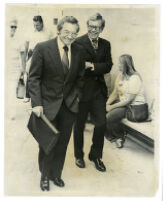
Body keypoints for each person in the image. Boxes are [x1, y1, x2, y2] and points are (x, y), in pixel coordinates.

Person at [28, 16, 84, 191]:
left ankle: (56, 174)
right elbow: (34, 77)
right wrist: (37, 103)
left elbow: (80, 78)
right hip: (47, 106)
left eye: (74, 33)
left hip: (69, 107)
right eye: (66, 31)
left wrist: (77, 97)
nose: (70, 36)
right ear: (59, 30)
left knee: (63, 143)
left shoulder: (79, 51)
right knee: (48, 143)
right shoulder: (43, 48)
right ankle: (44, 176)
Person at [73, 13, 113, 172]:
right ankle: (78, 156)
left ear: (101, 28)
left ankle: (96, 156)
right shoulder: (77, 42)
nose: (92, 29)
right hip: (82, 91)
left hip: (98, 91)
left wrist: (93, 66)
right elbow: (75, 66)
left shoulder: (106, 44)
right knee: (79, 125)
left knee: (101, 124)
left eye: (96, 27)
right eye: (90, 26)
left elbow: (109, 65)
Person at [105, 54, 149, 148]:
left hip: (134, 108)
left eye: (120, 64)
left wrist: (111, 107)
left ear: (126, 65)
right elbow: (115, 93)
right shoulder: (121, 76)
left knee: (108, 117)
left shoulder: (135, 78)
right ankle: (115, 136)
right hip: (125, 105)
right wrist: (107, 104)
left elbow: (129, 100)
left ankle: (119, 136)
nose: (118, 66)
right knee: (102, 112)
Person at [24, 15, 53, 102]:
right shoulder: (31, 32)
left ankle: (42, 95)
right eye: (34, 25)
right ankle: (27, 95)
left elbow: (52, 45)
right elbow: (26, 45)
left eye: (37, 25)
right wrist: (26, 57)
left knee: (43, 74)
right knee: (30, 73)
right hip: (32, 53)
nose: (36, 27)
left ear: (42, 23)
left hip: (44, 54)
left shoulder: (49, 32)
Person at [6, 19, 26, 120]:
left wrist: (23, 69)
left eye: (15, 27)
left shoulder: (19, 40)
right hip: (5, 66)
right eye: (11, 26)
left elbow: (22, 55)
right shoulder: (4, 38)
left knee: (11, 90)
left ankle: (12, 113)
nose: (13, 29)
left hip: (14, 68)